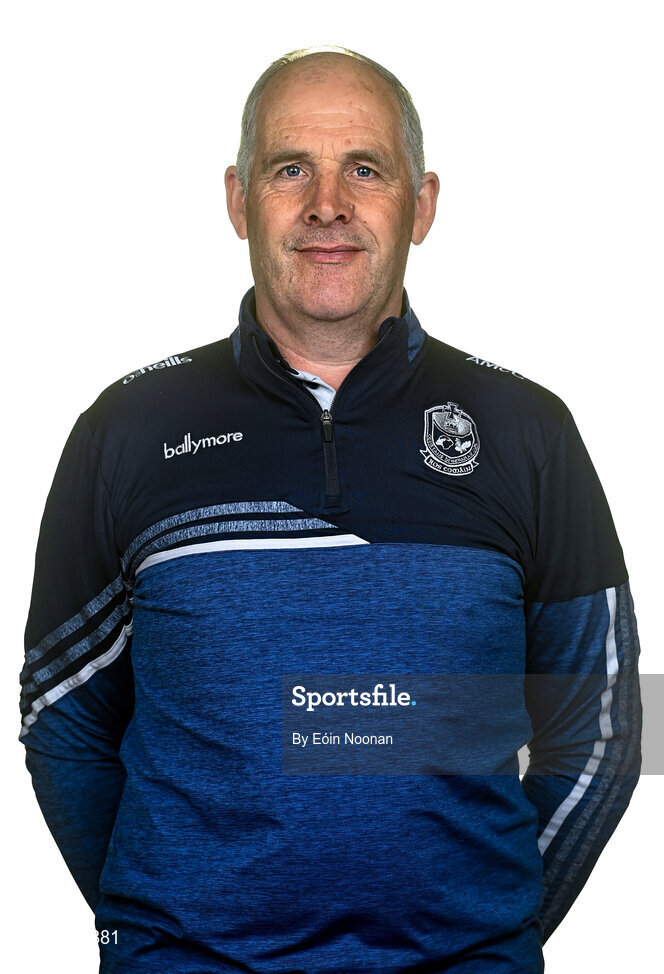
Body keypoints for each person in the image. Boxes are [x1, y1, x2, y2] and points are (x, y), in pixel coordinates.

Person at [19, 46, 642, 974]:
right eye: (289, 169)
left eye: (364, 167)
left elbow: (601, 723)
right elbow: (62, 716)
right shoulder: (128, 428)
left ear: (422, 203)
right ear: (237, 200)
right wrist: (159, 929)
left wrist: (488, 926)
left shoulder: (526, 430)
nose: (326, 205)